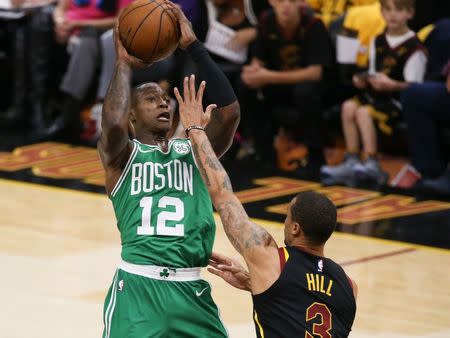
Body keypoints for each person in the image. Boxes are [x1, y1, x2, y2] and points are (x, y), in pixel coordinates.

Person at [174, 75, 357, 337]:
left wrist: (195, 129)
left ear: (295, 228)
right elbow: (308, 308)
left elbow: (223, 195)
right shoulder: (349, 286)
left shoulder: (270, 258)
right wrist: (259, 284)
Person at [97, 2, 240, 336]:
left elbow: (230, 114)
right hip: (138, 289)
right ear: (132, 116)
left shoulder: (195, 151)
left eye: (164, 98)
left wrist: (193, 46)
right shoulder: (123, 159)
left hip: (191, 291)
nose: (163, 102)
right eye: (150, 99)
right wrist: (122, 64)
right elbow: (113, 127)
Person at [321, 0, 427, 186]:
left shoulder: (414, 47)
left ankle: (372, 163)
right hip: (376, 95)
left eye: (398, 10)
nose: (392, 15)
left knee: (363, 112)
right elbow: (372, 70)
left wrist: (392, 85)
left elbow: (415, 88)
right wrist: (362, 80)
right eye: (387, 10)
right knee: (348, 106)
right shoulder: (377, 39)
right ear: (382, 12)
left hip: (397, 101)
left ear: (410, 13)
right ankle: (351, 159)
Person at [240, 0, 332, 175]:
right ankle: (263, 153)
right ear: (272, 2)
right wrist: (252, 72)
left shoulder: (314, 25)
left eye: (291, 0)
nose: (286, 5)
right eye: (281, 0)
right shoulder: (266, 21)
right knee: (245, 86)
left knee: (305, 91)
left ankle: (315, 157)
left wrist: (268, 77)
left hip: (313, 88)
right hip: (280, 85)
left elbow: (315, 73)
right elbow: (258, 60)